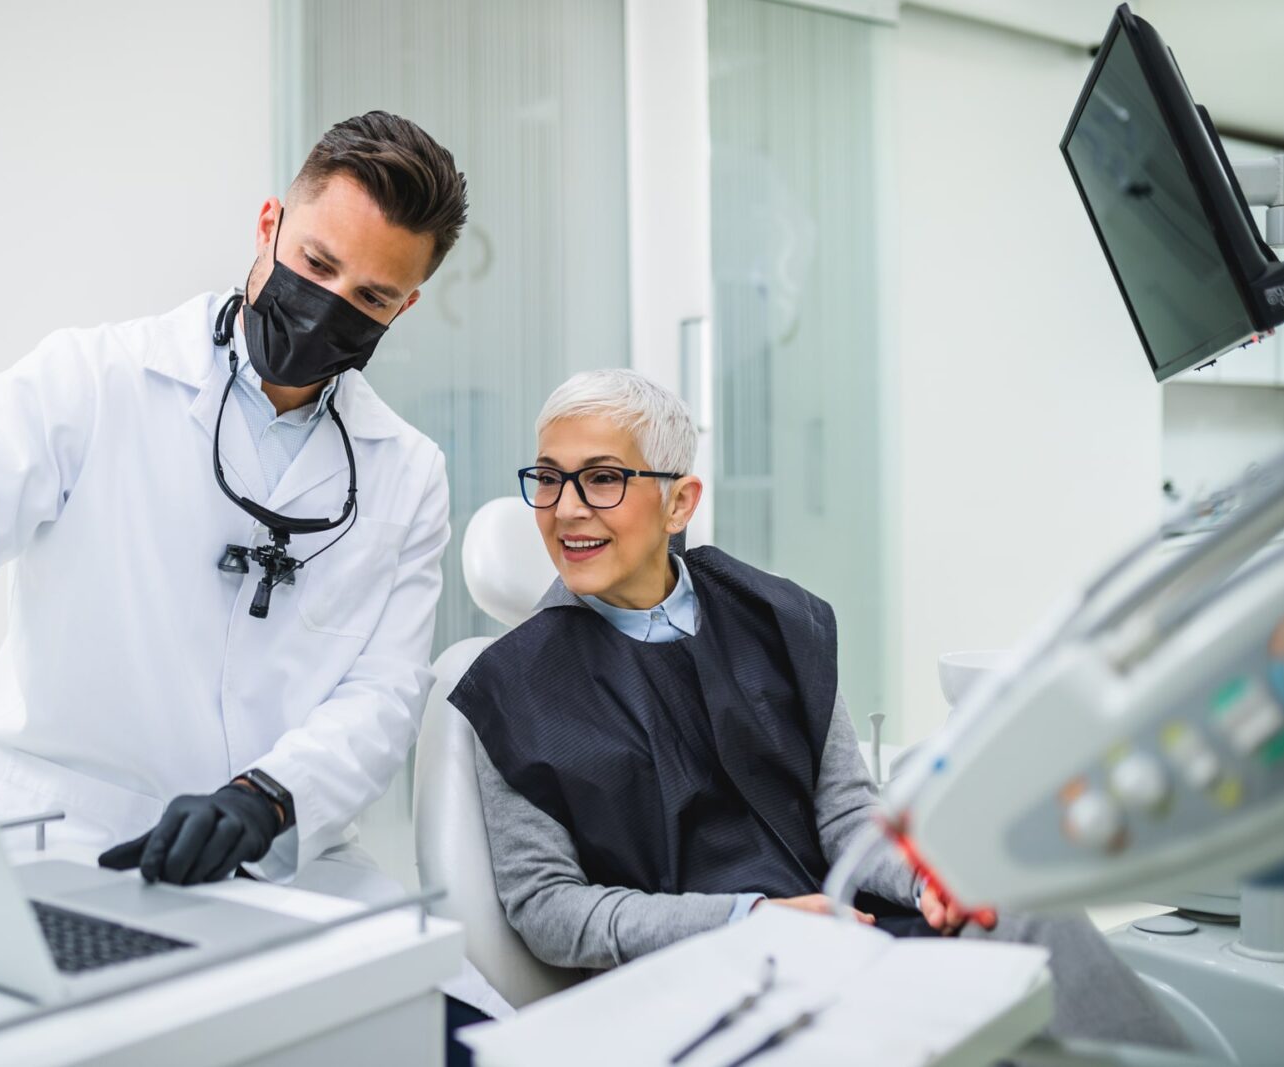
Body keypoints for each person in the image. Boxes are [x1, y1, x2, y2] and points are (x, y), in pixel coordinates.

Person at [0, 113, 506, 1026]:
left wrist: (270, 798)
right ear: (268, 224)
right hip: (60, 842)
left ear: (407, 306)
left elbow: (383, 695)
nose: (331, 307)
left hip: (281, 861)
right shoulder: (98, 378)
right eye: (315, 266)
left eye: (371, 298)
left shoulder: (407, 471)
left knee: (465, 1036)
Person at [447, 368, 1187, 1047]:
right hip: (698, 984)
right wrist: (747, 919)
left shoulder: (777, 620)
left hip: (849, 929)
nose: (566, 509)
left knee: (1019, 908)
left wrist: (930, 877)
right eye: (548, 479)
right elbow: (548, 909)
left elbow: (845, 814)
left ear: (680, 501)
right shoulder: (513, 689)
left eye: (602, 479)